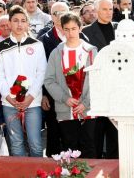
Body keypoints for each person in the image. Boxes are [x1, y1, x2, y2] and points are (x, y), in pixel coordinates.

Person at [0, 5, 47, 157]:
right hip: (9, 103)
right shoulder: (0, 47)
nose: (19, 24)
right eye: (15, 20)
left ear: (27, 24)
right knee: (16, 144)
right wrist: (8, 97)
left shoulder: (36, 45)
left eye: (23, 20)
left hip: (33, 102)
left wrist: (30, 97)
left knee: (35, 143)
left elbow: (41, 72)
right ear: (9, 23)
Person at [44, 13, 98, 158]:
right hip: (65, 108)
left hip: (88, 108)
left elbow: (98, 80)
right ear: (61, 30)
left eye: (74, 28)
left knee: (89, 145)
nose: (70, 33)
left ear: (80, 28)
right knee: (70, 147)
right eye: (66, 29)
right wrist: (64, 98)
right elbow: (49, 80)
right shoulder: (56, 53)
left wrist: (86, 103)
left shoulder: (91, 51)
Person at [81, 0, 118, 159]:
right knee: (95, 133)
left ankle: (115, 167)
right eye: (104, 9)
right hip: (96, 90)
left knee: (115, 134)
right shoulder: (86, 32)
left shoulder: (119, 29)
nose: (108, 12)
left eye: (110, 9)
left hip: (117, 89)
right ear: (96, 11)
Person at [38, 2, 71, 157]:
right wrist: (43, 94)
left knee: (71, 133)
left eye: (63, 12)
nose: (60, 16)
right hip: (51, 94)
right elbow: (41, 69)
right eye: (56, 13)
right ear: (51, 16)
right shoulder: (44, 40)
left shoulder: (78, 35)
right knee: (53, 131)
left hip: (73, 94)